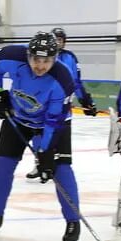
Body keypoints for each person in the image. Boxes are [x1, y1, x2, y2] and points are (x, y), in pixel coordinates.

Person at [0, 32, 80, 241]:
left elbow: (54, 122)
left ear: (55, 59)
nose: (40, 66)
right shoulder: (10, 56)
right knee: (3, 165)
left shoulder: (62, 80)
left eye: (46, 61)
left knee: (61, 168)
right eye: (36, 59)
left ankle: (73, 220)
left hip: (52, 125)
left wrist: (45, 151)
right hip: (18, 118)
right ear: (28, 55)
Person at [24, 26, 96, 181]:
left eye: (60, 40)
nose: (57, 43)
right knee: (39, 137)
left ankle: (56, 166)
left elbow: (76, 82)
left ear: (64, 42)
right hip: (40, 107)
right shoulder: (40, 57)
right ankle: (40, 163)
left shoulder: (70, 57)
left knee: (57, 138)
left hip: (60, 107)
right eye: (55, 39)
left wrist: (86, 100)